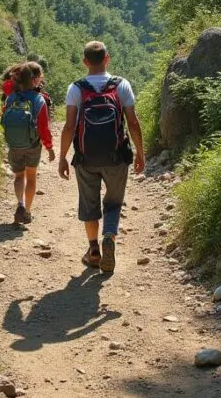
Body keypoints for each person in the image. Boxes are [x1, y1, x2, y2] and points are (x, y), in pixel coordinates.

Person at [58, 41, 145, 273]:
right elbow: (133, 123)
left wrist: (63, 157)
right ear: (107, 58)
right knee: (113, 203)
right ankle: (109, 236)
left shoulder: (76, 88)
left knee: (89, 204)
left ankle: (94, 250)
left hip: (86, 158)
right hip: (117, 157)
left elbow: (68, 127)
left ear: (85, 61)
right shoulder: (121, 85)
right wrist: (140, 153)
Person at [1, 61, 55, 225]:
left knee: (19, 175)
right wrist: (50, 148)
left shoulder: (10, 97)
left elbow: (3, 119)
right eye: (39, 77)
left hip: (14, 145)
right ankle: (27, 212)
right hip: (32, 145)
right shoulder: (39, 100)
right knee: (31, 178)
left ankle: (20, 204)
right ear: (33, 80)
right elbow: (44, 128)